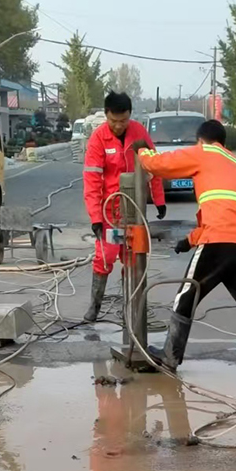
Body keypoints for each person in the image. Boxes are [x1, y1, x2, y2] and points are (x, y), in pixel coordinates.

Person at [134, 119, 236, 388]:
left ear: (200, 140)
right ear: (224, 142)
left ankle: (169, 359)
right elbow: (223, 210)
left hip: (218, 242)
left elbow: (160, 165)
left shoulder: (204, 152)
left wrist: (142, 152)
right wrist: (189, 241)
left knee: (186, 297)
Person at [83, 91, 166, 322]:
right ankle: (94, 306)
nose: (119, 126)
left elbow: (153, 166)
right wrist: (95, 218)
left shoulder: (139, 132)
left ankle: (130, 307)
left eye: (123, 120)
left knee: (134, 256)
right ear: (106, 115)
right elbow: (91, 182)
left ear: (130, 116)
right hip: (110, 212)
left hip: (135, 209)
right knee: (105, 256)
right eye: (114, 121)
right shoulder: (98, 139)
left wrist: (158, 199)